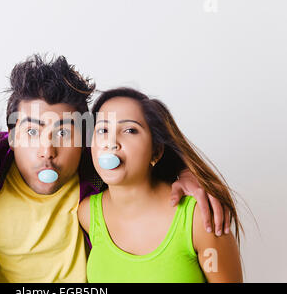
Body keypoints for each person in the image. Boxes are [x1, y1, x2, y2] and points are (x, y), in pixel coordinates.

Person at [0, 55, 231, 283]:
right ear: (12, 136)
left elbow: (139, 154)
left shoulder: (94, 174)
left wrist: (186, 173)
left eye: (64, 133)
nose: (46, 150)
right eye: (32, 132)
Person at [78, 88, 243, 282]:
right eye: (103, 130)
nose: (111, 143)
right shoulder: (87, 214)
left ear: (156, 152)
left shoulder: (200, 218)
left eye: (130, 130)